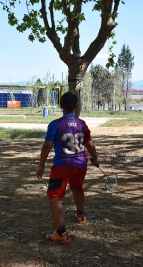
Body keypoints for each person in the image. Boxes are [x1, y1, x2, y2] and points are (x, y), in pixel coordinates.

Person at [36, 91, 99, 243]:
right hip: (81, 164)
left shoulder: (55, 124)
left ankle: (61, 233)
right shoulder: (81, 123)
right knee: (78, 188)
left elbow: (47, 146)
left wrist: (41, 165)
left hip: (62, 166)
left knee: (54, 196)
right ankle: (81, 215)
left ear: (60, 105)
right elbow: (89, 144)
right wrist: (95, 159)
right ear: (76, 106)